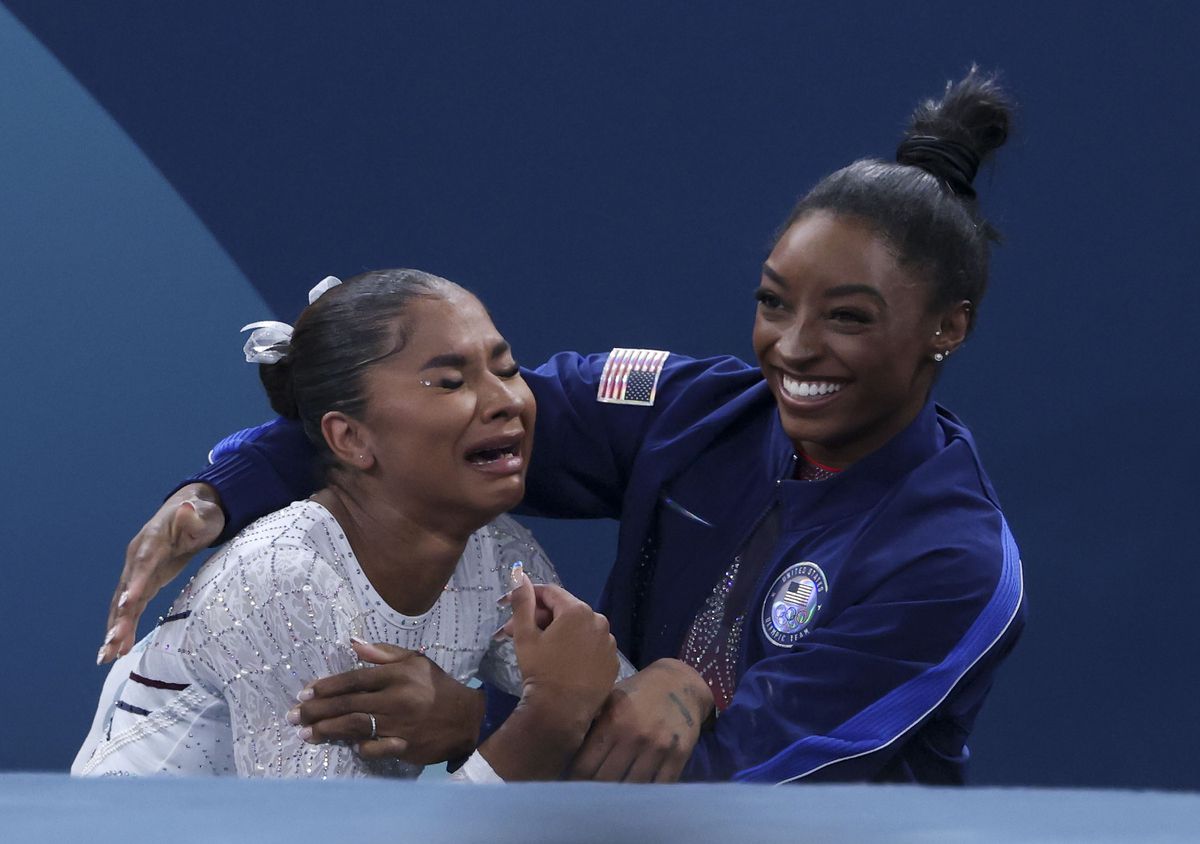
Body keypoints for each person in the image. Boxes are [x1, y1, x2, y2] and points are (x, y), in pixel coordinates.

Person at [99, 68, 1024, 784]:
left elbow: (721, 785)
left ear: (950, 325)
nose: (792, 347)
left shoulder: (952, 559)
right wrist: (225, 490)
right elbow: (422, 424)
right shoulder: (687, 412)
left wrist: (477, 723)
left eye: (850, 319)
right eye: (774, 303)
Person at [76, 269, 626, 779]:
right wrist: (548, 717)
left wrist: (674, 689)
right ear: (351, 439)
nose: (507, 399)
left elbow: (619, 725)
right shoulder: (283, 577)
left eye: (507, 370)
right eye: (450, 382)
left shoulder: (499, 555)